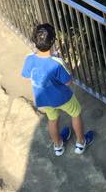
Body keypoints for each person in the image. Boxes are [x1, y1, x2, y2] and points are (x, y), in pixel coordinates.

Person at [21, 22, 95, 156]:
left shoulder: (29, 59)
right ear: (53, 41)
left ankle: (58, 146)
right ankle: (80, 142)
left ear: (34, 40)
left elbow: (27, 76)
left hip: (43, 98)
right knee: (75, 113)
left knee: (52, 119)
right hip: (62, 97)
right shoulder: (56, 63)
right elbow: (67, 82)